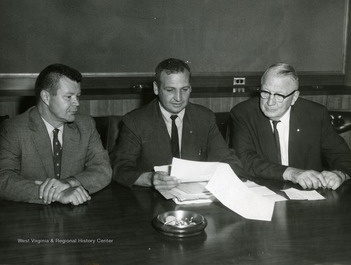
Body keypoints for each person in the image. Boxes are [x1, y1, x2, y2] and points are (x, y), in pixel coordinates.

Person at [111, 58, 243, 190]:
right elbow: (120, 168)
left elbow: (230, 162)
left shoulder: (204, 118)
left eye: (184, 89)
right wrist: (150, 179)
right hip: (151, 198)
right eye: (170, 90)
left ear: (190, 88)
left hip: (194, 197)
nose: (178, 98)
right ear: (156, 88)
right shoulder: (135, 121)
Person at [230, 63, 351, 190]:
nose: (270, 102)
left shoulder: (315, 115)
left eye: (279, 95)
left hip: (308, 197)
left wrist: (339, 174)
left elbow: (347, 158)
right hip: (263, 192)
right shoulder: (244, 113)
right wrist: (292, 173)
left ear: (294, 97)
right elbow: (244, 160)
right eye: (265, 92)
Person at [0, 64, 112, 205]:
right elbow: (3, 179)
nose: (76, 103)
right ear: (46, 97)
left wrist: (69, 183)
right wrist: (55, 194)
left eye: (78, 96)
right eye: (68, 97)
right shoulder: (14, 129)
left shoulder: (86, 125)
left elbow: (103, 170)